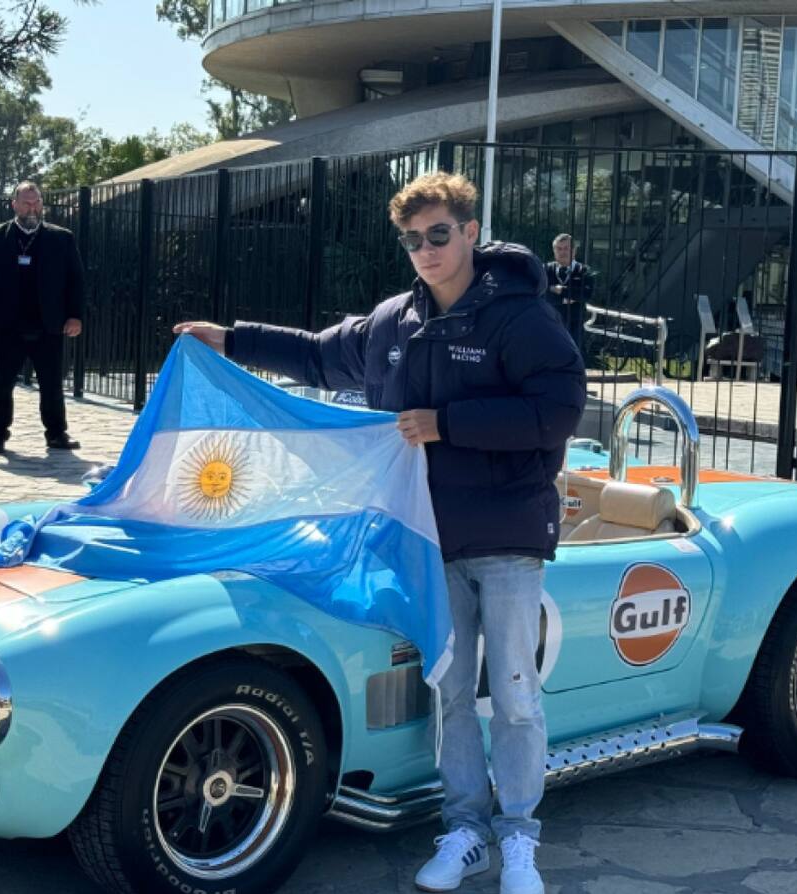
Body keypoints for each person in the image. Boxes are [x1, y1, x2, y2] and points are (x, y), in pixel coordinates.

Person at [176, 172, 586, 894]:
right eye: (412, 240)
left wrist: (447, 425)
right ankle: (465, 830)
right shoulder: (394, 321)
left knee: (516, 696)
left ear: (468, 231)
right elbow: (315, 354)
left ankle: (520, 838)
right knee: (452, 692)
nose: (425, 251)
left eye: (438, 234)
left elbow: (555, 413)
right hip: (423, 537)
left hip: (506, 535)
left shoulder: (522, 318)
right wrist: (230, 338)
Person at [0, 180, 84, 454]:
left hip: (49, 324)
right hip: (8, 324)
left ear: (42, 204)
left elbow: (75, 280)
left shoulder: (61, 237)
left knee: (52, 383)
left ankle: (56, 434)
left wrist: (75, 315)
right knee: (2, 382)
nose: (32, 208)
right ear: (14, 205)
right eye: (26, 202)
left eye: (36, 202)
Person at [542, 234, 593, 350]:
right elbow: (541, 293)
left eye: (566, 248)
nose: (562, 252)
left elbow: (586, 294)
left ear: (574, 251)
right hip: (550, 323)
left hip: (575, 325)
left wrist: (560, 290)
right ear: (554, 251)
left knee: (573, 357)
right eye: (559, 249)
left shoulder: (584, 270)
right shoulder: (545, 269)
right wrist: (566, 298)